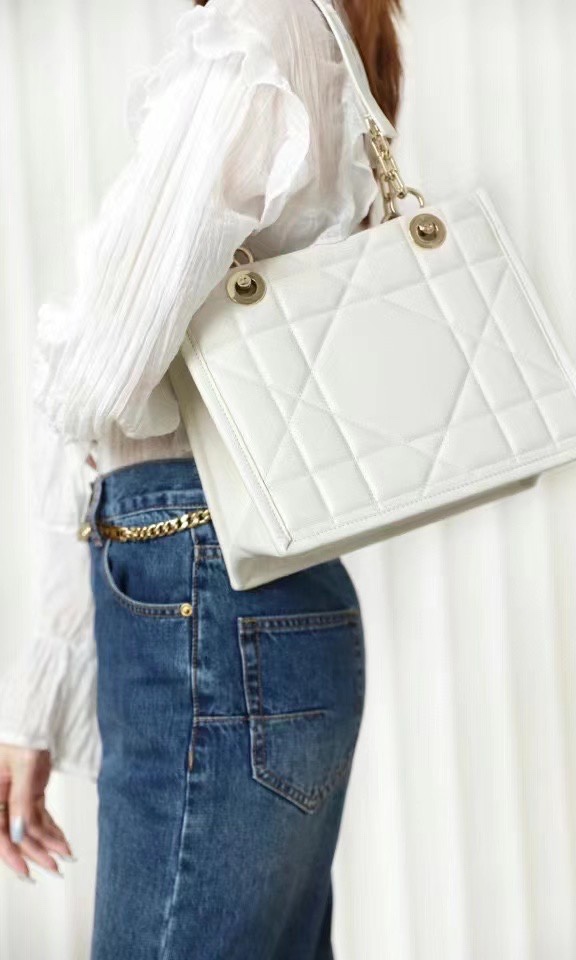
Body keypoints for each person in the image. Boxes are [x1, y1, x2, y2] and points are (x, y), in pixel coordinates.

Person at [0, 0, 403, 954]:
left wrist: (67, 355)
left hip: (202, 596)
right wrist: (40, 698)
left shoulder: (258, 31)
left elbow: (104, 370)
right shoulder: (316, 35)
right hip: (253, 589)